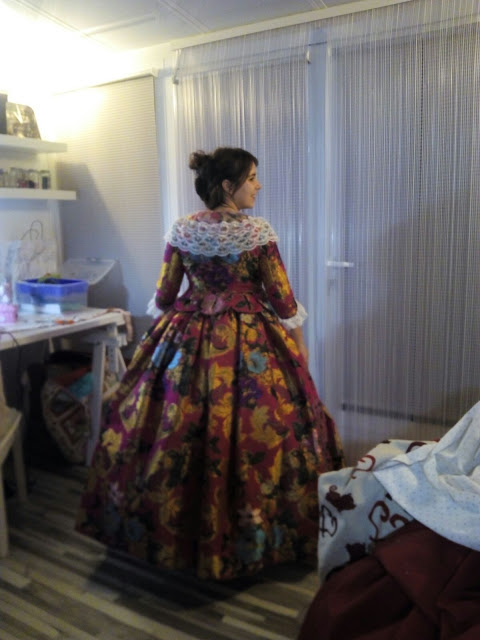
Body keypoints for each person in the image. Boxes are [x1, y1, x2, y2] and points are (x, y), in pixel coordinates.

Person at [75, 147, 344, 581]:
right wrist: (298, 346)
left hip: (187, 335)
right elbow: (281, 298)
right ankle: (256, 536)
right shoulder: (258, 232)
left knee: (178, 429)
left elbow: (165, 295)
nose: (258, 186)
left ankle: (173, 534)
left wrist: (154, 346)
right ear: (227, 186)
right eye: (252, 178)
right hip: (253, 341)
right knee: (265, 428)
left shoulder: (183, 230)